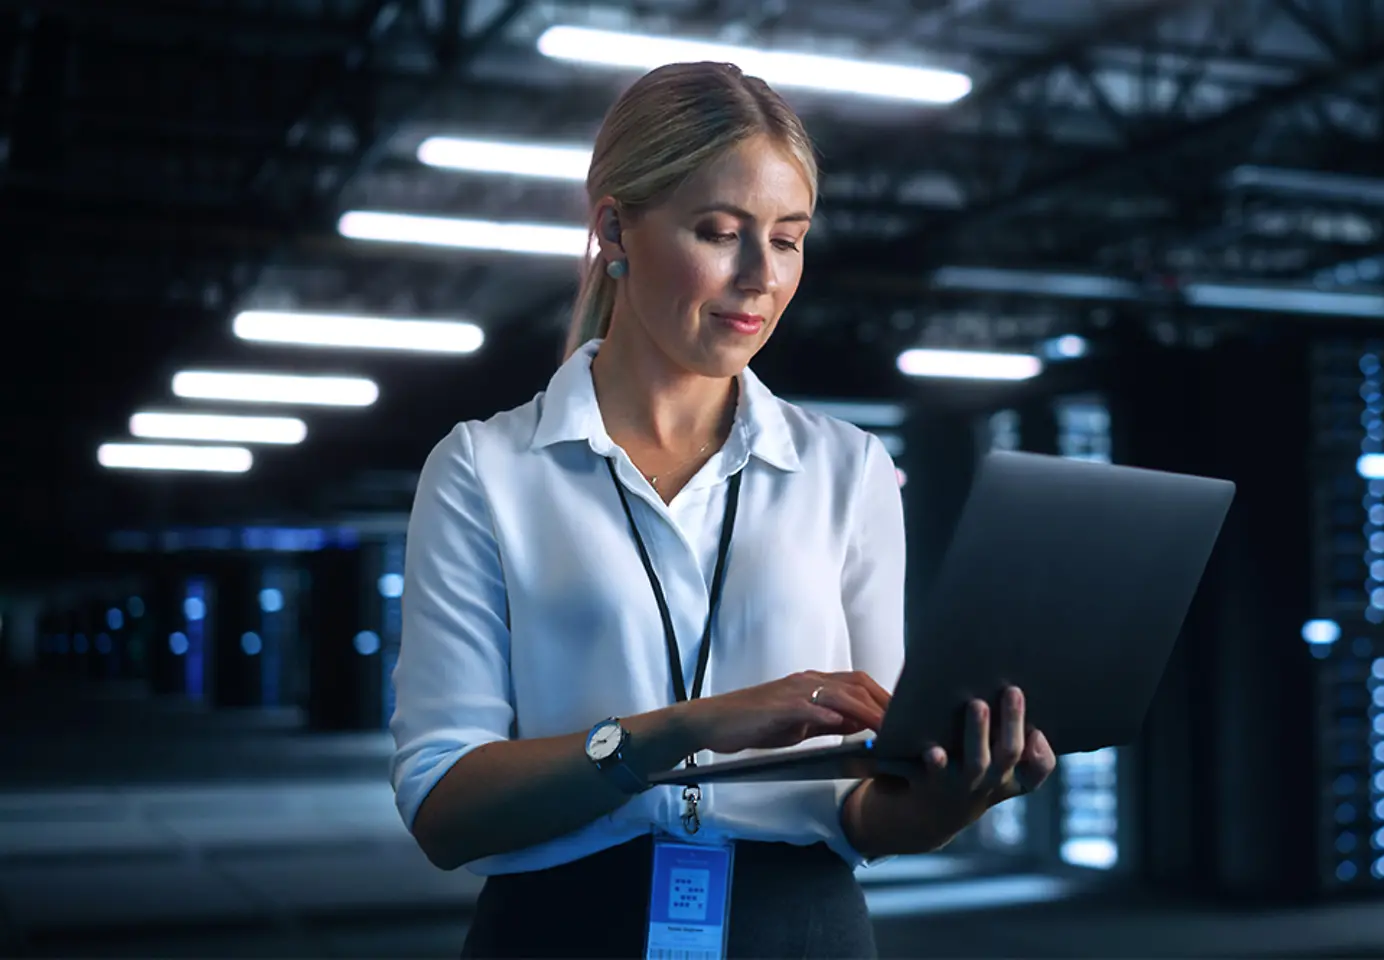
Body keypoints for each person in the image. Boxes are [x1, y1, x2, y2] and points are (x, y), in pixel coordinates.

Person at [389, 61, 1057, 959]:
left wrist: (951, 795)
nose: (760, 277)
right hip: (560, 931)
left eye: (787, 240)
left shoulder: (847, 470)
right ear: (614, 228)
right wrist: (688, 729)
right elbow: (443, 809)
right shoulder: (485, 469)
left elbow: (867, 802)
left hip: (804, 930)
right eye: (720, 232)